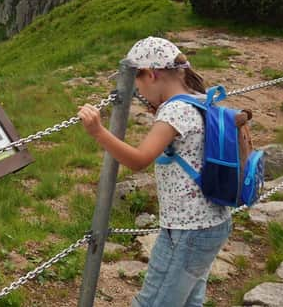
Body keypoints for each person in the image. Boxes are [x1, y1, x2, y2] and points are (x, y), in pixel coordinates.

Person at [78, 36, 231, 307]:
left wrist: (98, 132)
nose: (139, 94)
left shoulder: (173, 112)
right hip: (214, 223)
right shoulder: (199, 99)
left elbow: (139, 160)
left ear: (151, 74)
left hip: (185, 232)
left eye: (138, 85)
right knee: (188, 302)